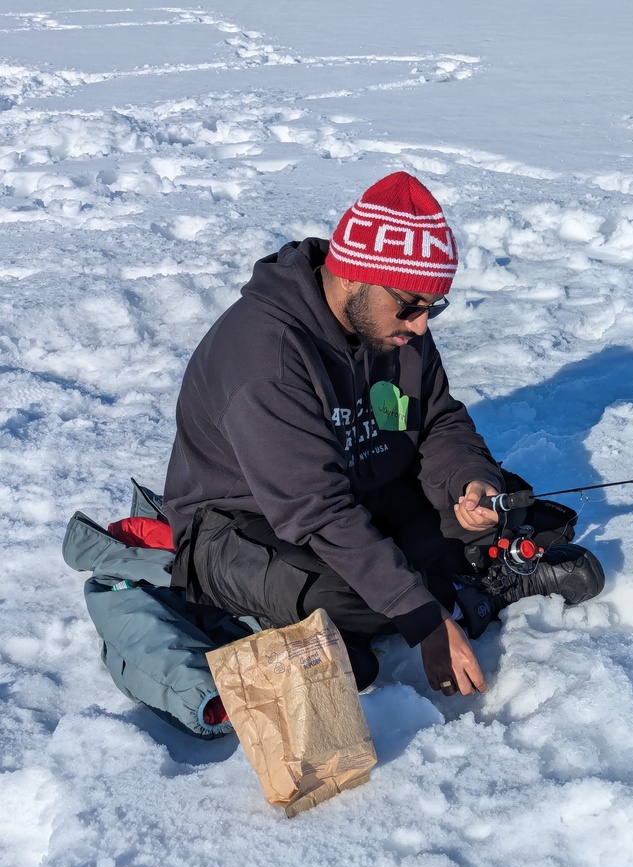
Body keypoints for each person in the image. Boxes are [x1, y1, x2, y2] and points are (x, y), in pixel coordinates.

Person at [163, 171, 604, 699]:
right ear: (352, 276)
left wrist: (471, 482)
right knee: (352, 596)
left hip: (364, 490)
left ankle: (450, 579)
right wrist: (424, 620)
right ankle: (463, 592)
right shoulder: (266, 357)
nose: (420, 326)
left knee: (509, 505)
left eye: (432, 307)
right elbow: (316, 512)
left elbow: (438, 418)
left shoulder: (390, 323)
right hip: (246, 527)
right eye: (411, 305)